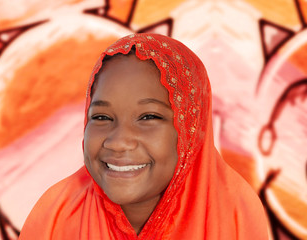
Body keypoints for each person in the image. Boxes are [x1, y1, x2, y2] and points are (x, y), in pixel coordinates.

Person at [19, 33, 268, 239]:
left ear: (192, 128)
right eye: (102, 117)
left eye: (148, 117)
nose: (118, 142)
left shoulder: (235, 214)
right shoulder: (55, 215)